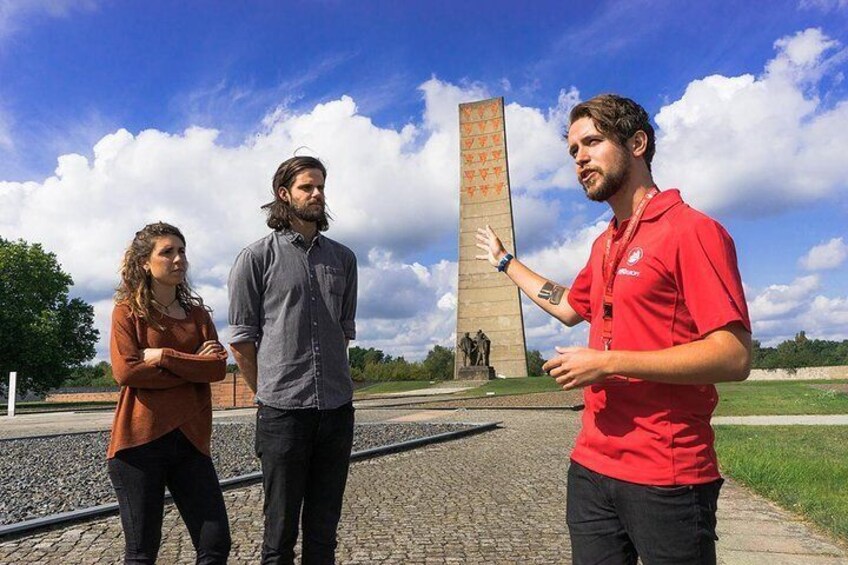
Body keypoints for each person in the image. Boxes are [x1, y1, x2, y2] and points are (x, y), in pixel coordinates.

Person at [476, 94, 751, 564]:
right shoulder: (606, 241)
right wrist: (506, 262)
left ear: (637, 143)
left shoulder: (691, 230)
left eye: (592, 142)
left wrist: (607, 362)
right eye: (572, 151)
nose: (579, 159)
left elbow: (734, 355)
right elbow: (566, 306)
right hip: (591, 467)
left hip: (667, 474)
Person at [228, 155, 358, 565]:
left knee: (324, 530)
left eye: (320, 186)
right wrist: (266, 394)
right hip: (283, 413)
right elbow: (242, 342)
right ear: (284, 195)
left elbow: (343, 332)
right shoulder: (255, 258)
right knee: (279, 532)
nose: (317, 194)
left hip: (336, 411)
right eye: (307, 187)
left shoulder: (344, 259)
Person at [108, 222, 231, 564]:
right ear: (145, 262)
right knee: (142, 552)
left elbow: (217, 369)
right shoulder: (127, 312)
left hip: (191, 442)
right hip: (138, 443)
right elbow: (127, 371)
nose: (179, 259)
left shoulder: (199, 316)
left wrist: (164, 357)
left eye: (182, 251)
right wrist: (193, 367)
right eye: (167, 252)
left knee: (215, 543)